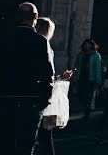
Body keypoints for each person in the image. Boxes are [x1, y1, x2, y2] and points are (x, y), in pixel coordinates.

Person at [0, 2, 54, 155]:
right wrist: (45, 100)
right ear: (35, 17)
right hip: (31, 99)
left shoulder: (3, 38)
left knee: (6, 144)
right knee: (26, 145)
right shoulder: (41, 42)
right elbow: (48, 73)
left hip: (6, 98)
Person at [34, 18, 73, 155]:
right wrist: (61, 78)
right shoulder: (44, 45)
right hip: (39, 96)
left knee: (40, 135)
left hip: (29, 94)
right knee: (43, 134)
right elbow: (46, 75)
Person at [72, 39, 101, 123]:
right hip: (81, 77)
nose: (87, 46)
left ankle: (87, 112)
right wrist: (75, 75)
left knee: (89, 96)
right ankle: (86, 108)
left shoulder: (96, 55)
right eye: (85, 44)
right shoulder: (80, 55)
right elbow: (76, 65)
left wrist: (98, 81)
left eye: (88, 44)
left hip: (90, 78)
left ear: (92, 45)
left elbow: (97, 68)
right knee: (80, 94)